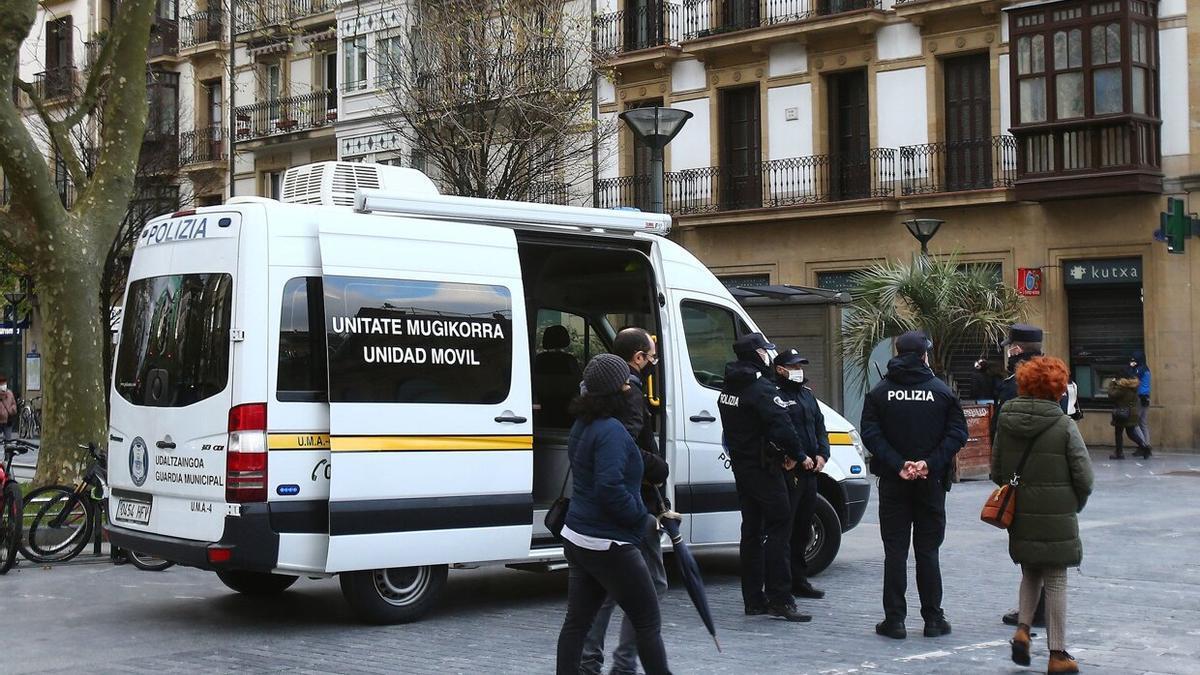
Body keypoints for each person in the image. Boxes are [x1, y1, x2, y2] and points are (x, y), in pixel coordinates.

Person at [556, 353, 670, 675]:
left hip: (578, 536)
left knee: (576, 623)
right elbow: (610, 489)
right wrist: (641, 518)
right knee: (647, 620)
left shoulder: (584, 423)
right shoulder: (612, 431)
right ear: (614, 391)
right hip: (610, 543)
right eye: (625, 383)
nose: (629, 388)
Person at [861, 331, 968, 640]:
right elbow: (957, 434)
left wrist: (899, 464)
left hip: (894, 484)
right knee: (928, 551)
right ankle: (933, 619)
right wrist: (928, 464)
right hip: (930, 482)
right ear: (924, 356)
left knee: (895, 552)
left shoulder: (880, 392)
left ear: (897, 353)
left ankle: (894, 620)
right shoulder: (942, 392)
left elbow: (870, 433)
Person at [991, 356, 1093, 674]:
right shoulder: (1064, 425)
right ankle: (1058, 653)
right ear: (1058, 389)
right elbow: (1085, 476)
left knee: (1030, 571)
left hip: (1021, 512)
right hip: (1057, 513)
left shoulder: (1006, 419)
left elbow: (997, 470)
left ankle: (1023, 629)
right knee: (1056, 579)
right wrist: (1073, 501)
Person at [717, 332, 810, 622]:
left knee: (752, 532)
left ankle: (753, 598)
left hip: (743, 467)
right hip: (764, 467)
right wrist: (800, 454)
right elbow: (781, 425)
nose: (770, 355)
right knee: (780, 526)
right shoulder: (760, 388)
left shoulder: (729, 387)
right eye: (766, 351)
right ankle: (780, 597)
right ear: (758, 354)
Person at [772, 348, 828, 601]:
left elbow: (820, 427)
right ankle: (782, 584)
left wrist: (822, 455)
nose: (798, 371)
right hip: (790, 470)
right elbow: (778, 430)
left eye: (799, 366)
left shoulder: (807, 395)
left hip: (810, 471)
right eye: (793, 367)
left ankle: (799, 579)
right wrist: (796, 456)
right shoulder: (775, 395)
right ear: (780, 369)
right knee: (787, 528)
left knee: (803, 527)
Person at [1107, 375, 1151, 460]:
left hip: (1122, 413)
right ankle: (1144, 447)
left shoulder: (1122, 388)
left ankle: (1119, 453)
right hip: (1132, 413)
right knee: (1131, 433)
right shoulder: (1134, 387)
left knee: (1118, 433)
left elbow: (1112, 395)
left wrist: (1112, 384)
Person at [1128, 350, 1151, 445]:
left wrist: (1131, 367)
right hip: (1146, 397)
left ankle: (1144, 446)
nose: (1133, 361)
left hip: (1139, 398)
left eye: (1134, 359)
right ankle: (1147, 444)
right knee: (1143, 423)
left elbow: (1132, 378)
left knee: (1135, 423)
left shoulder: (1140, 369)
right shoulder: (1146, 369)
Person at [0, 375, 16, 441]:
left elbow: (13, 404)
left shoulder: (10, 393)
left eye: (5, 383)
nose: (4, 385)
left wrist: (13, 409)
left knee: (8, 440)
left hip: (8, 420)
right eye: (2, 384)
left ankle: (7, 451)